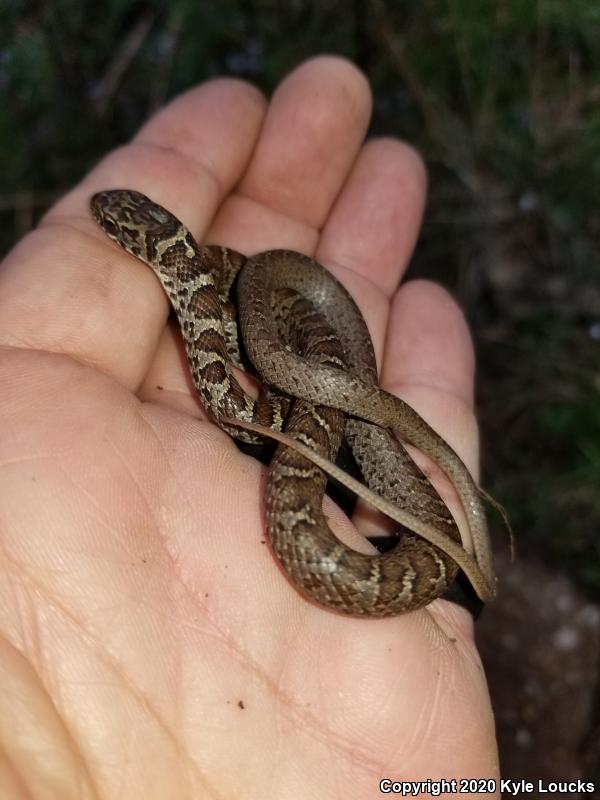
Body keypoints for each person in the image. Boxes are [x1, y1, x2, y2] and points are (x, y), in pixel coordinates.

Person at [0, 56, 499, 797]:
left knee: (322, 397)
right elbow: (225, 362)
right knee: (299, 390)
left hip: (300, 353)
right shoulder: (214, 290)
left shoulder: (226, 303)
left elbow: (230, 369)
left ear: (144, 246)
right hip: (279, 340)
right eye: (112, 223)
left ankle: (356, 407)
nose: (105, 224)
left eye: (115, 225)